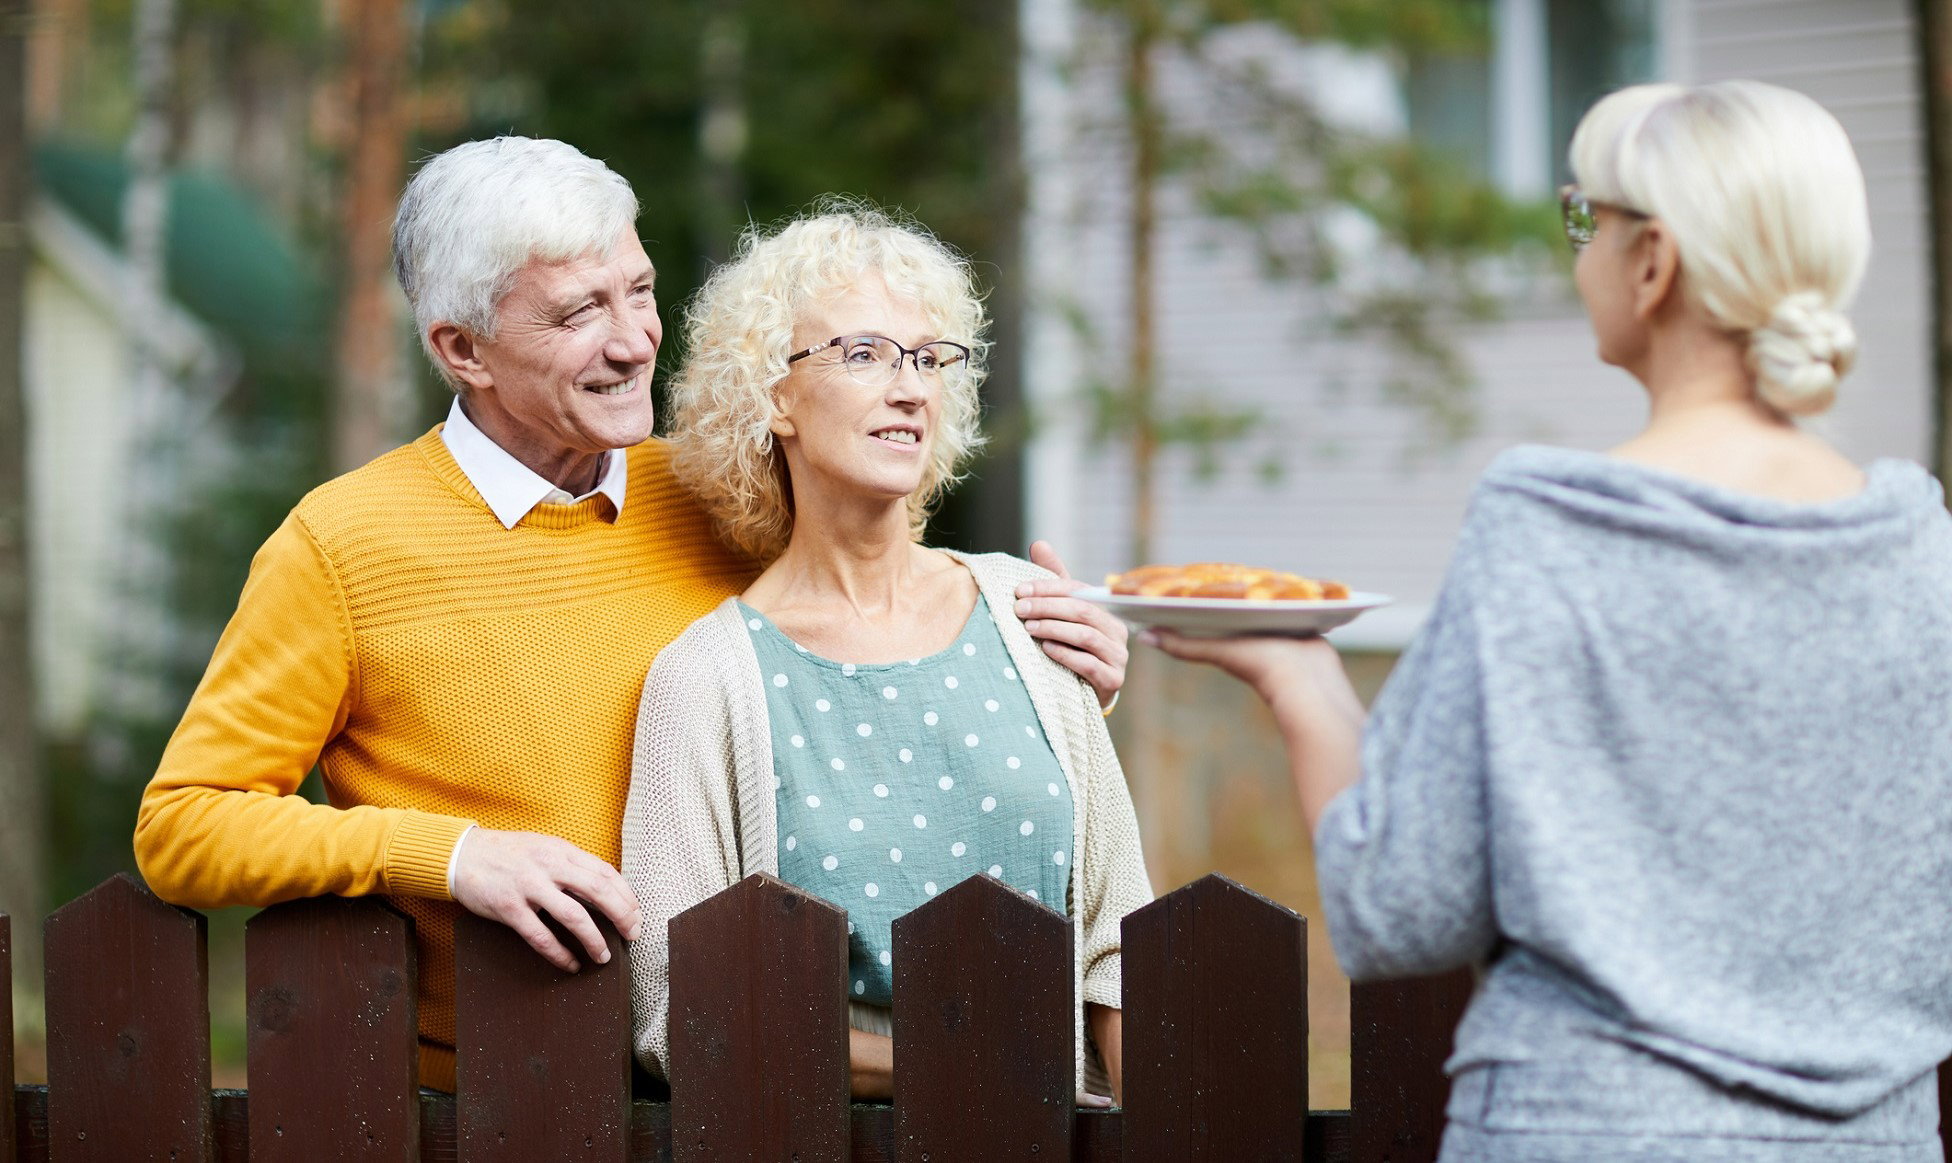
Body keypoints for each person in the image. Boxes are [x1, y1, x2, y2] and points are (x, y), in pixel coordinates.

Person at [131, 139, 1129, 1091]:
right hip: (502, 1095)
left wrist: (1047, 667)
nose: (632, 339)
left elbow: (872, 659)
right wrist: (453, 853)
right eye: (575, 316)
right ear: (462, 348)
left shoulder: (718, 491)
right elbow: (185, 825)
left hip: (762, 1075)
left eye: (639, 290)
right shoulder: (343, 545)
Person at [1151, 81, 1952, 1161]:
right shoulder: (1924, 554)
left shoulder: (1547, 526)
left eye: (1584, 219)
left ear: (1652, 261)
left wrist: (1298, 679)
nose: (1573, 251)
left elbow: (1397, 907)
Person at [623, 203, 1152, 1103]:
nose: (909, 387)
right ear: (771, 395)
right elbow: (684, 1013)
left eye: (929, 356)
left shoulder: (1028, 618)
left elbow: (1115, 944)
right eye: (863, 354)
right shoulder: (706, 679)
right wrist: (955, 1078)